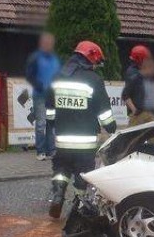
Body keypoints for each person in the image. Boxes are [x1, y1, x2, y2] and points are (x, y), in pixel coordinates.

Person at [46, 40, 117, 219]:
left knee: (61, 169)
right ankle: (77, 206)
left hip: (62, 139)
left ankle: (58, 195)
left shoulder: (57, 77)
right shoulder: (93, 80)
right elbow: (104, 113)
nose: (95, 66)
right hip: (85, 142)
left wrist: (55, 124)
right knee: (82, 174)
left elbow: (49, 110)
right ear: (90, 58)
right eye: (95, 62)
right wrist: (112, 129)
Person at [25, 32, 61, 160]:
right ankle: (40, 151)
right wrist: (38, 85)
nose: (48, 45)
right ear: (42, 43)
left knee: (51, 123)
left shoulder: (55, 59)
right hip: (40, 95)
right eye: (46, 42)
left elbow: (58, 75)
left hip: (52, 96)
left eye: (50, 43)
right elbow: (29, 75)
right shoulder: (35, 58)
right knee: (41, 123)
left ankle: (51, 150)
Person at [123, 44, 154, 127]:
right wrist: (134, 110)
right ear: (139, 59)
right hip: (139, 114)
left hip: (149, 112)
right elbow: (125, 95)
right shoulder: (132, 73)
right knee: (132, 138)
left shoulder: (141, 71)